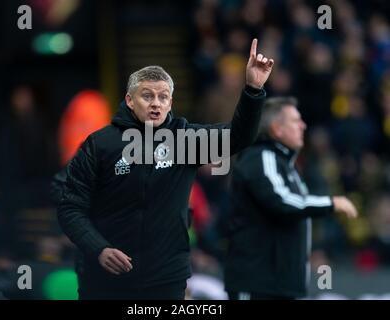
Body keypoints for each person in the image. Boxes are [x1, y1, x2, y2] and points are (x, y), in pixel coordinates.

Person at [56, 39, 274, 299]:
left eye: (163, 97)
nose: (155, 103)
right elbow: (70, 207)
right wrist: (99, 248)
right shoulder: (100, 144)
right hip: (104, 279)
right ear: (129, 100)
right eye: (147, 95)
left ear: (171, 103)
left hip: (166, 278)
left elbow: (239, 136)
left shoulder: (186, 140)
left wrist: (252, 89)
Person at [224, 97, 358, 300]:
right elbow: (282, 201)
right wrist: (331, 203)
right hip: (258, 286)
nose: (303, 126)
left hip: (280, 286)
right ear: (277, 129)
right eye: (296, 121)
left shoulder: (285, 165)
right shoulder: (261, 156)